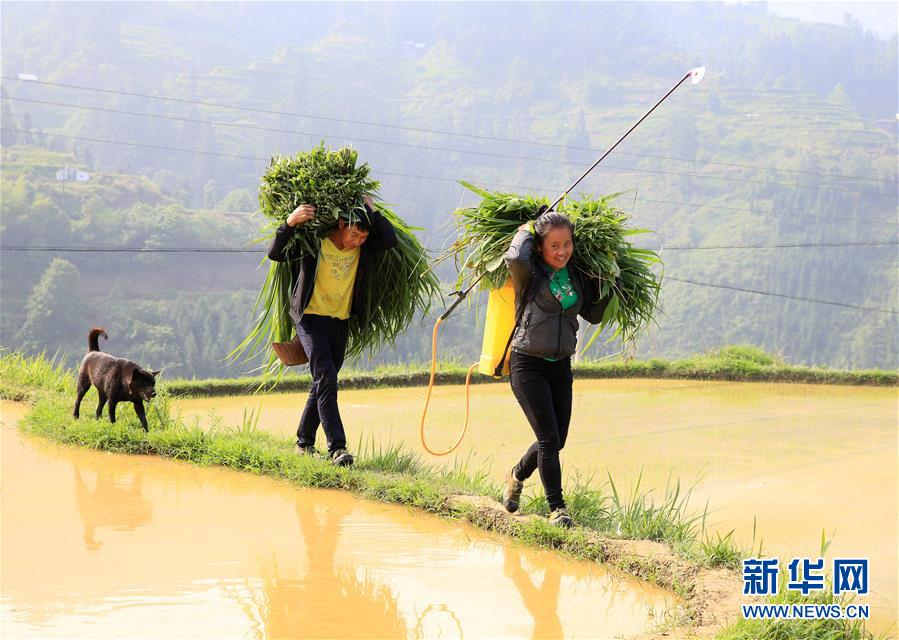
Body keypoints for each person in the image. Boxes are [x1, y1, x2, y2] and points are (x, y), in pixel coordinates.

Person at [267, 195, 397, 466]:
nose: (357, 241)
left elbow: (390, 238)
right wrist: (290, 223)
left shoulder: (364, 248)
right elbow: (276, 253)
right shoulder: (315, 242)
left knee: (323, 381)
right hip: (310, 319)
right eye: (353, 234)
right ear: (340, 223)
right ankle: (337, 448)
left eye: (362, 237)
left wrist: (372, 211)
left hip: (340, 320)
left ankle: (303, 442)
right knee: (326, 377)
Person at [500, 210, 608, 527]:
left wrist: (607, 283)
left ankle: (517, 473)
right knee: (548, 440)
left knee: (557, 439)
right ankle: (557, 509)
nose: (562, 252)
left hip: (560, 365)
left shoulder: (574, 275)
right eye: (554, 246)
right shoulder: (530, 275)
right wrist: (526, 230)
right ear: (539, 248)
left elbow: (593, 314)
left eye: (567, 244)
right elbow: (516, 257)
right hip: (527, 363)